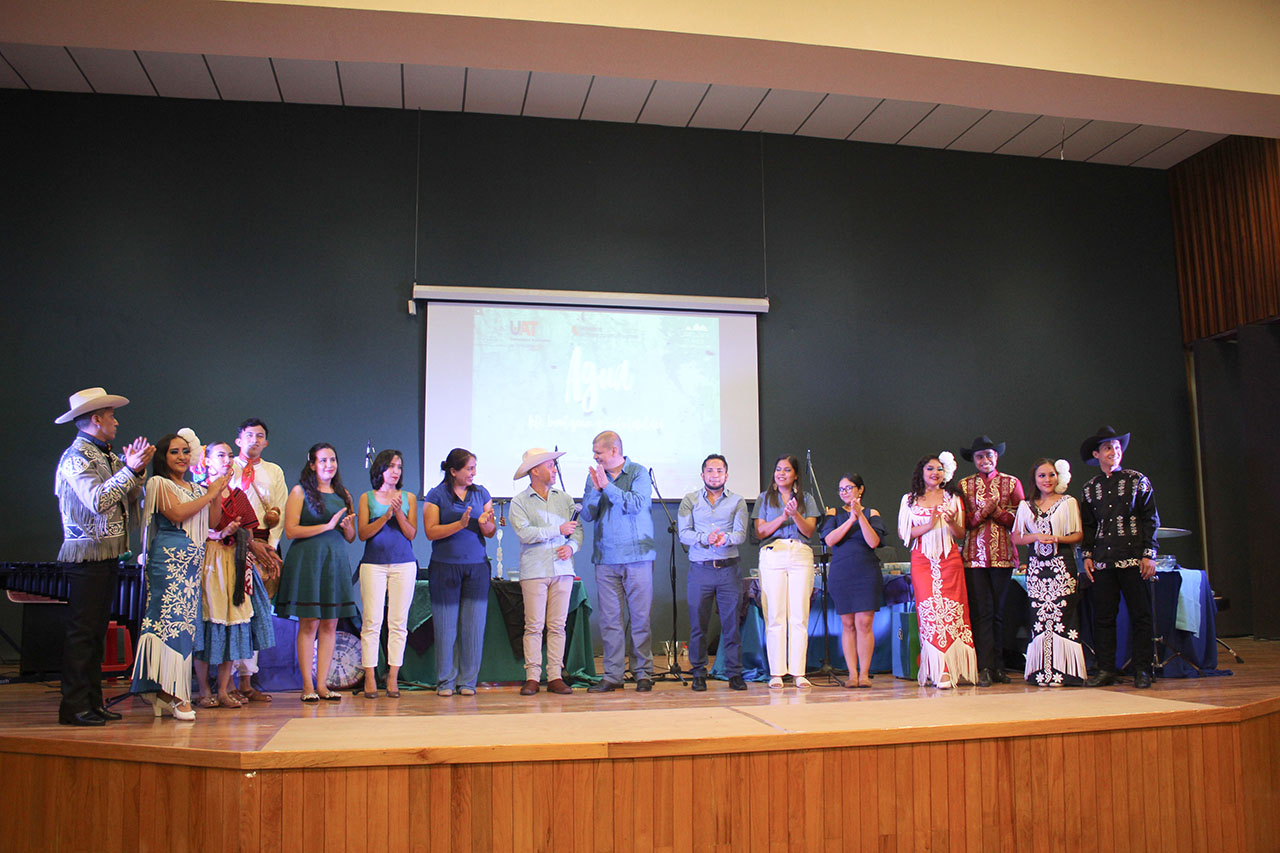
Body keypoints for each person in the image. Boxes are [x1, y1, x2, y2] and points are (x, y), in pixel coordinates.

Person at [53, 387, 153, 726]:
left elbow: (127, 496)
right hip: (87, 555)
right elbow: (98, 500)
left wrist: (135, 470)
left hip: (106, 553)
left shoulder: (104, 456)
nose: (116, 422)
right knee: (82, 633)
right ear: (96, 419)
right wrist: (129, 470)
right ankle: (74, 706)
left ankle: (92, 702)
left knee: (95, 633)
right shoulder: (76, 457)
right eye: (111, 416)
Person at [132, 433, 230, 721]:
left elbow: (212, 522)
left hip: (191, 567)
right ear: (164, 456)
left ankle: (164, 694)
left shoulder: (196, 487)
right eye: (175, 452)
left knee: (185, 627)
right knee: (170, 624)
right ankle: (176, 694)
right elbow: (175, 514)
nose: (182, 457)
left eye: (186, 451)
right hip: (168, 563)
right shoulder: (158, 483)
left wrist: (216, 494)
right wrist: (210, 494)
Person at [193, 441, 282, 709]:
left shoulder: (238, 496)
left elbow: (249, 533)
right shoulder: (197, 493)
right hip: (209, 562)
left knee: (233, 622)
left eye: (230, 455)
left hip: (234, 560)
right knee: (208, 622)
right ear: (207, 461)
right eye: (220, 455)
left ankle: (223, 689)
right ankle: (204, 689)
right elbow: (194, 529)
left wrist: (256, 547)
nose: (227, 460)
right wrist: (219, 533)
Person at [1079, 426, 1160, 689]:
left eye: (1116, 447)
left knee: (1141, 614)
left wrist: (1149, 554)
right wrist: (1087, 555)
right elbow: (1089, 526)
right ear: (1096, 454)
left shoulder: (1137, 480)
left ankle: (1142, 669)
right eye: (1107, 448)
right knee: (1103, 616)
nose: (1113, 452)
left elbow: (1150, 519)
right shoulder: (1090, 488)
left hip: (1133, 557)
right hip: (1103, 559)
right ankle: (1106, 669)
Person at [274, 443, 357, 702]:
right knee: (309, 622)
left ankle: (322, 685)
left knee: (330, 623)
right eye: (323, 460)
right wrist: (327, 526)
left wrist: (348, 527)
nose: (329, 465)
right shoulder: (299, 491)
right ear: (312, 464)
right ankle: (307, 686)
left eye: (332, 460)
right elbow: (291, 531)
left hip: (334, 561)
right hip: (308, 562)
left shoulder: (343, 494)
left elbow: (350, 537)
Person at [581, 431, 657, 693]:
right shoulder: (595, 477)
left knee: (640, 618)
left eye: (598, 452)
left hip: (638, 556)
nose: (595, 457)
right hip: (606, 558)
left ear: (614, 451)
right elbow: (587, 515)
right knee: (610, 620)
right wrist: (595, 489)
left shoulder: (638, 473)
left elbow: (636, 505)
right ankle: (613, 675)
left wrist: (607, 487)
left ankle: (643, 673)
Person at [897, 453, 977, 689]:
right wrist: (929, 525)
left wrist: (950, 522)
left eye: (939, 469)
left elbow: (960, 533)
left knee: (953, 612)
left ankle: (956, 667)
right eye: (930, 469)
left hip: (949, 559)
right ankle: (938, 669)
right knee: (930, 613)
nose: (935, 473)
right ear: (921, 472)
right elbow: (904, 533)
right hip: (922, 560)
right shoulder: (909, 500)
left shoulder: (953, 498)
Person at [509, 448, 583, 696]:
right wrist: (557, 530)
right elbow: (524, 533)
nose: (554, 470)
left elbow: (577, 530)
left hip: (562, 569)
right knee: (533, 626)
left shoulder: (565, 499)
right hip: (534, 570)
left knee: (558, 626)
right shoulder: (519, 501)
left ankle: (554, 676)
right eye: (550, 466)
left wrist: (571, 547)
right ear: (535, 470)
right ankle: (532, 676)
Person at [423, 447, 496, 696]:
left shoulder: (481, 493)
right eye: (469, 469)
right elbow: (431, 531)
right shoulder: (436, 495)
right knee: (445, 628)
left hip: (477, 567)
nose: (473, 473)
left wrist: (486, 524)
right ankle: (445, 681)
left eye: (475, 468)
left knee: (473, 627)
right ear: (453, 471)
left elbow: (490, 532)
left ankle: (468, 682)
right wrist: (459, 524)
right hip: (444, 567)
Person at [957, 435, 1025, 687]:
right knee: (981, 612)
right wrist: (982, 513)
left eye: (988, 455)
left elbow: (1021, 520)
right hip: (974, 558)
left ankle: (997, 666)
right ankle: (983, 666)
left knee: (998, 612)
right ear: (973, 460)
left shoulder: (1011, 483)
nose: (984, 460)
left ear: (996, 457)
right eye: (979, 456)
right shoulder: (964, 485)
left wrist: (997, 512)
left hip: (1002, 556)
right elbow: (961, 523)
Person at [678, 454, 750, 692]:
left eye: (719, 471)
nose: (714, 475)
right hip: (700, 570)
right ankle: (698, 672)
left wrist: (724, 539)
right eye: (710, 470)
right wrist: (705, 538)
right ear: (702, 475)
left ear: (726, 475)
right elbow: (684, 534)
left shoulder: (738, 501)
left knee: (731, 625)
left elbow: (740, 535)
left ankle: (734, 673)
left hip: (728, 570)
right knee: (698, 625)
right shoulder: (689, 500)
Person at [1012, 458, 1085, 686]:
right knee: (1040, 619)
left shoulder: (1068, 502)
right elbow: (1016, 537)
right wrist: (1035, 536)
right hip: (1036, 568)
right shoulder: (1026, 506)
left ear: (1058, 477)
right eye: (1042, 475)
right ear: (1034, 479)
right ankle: (1041, 671)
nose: (1047, 479)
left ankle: (1064, 672)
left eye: (1051, 475)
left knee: (1063, 616)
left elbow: (1078, 534)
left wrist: (1057, 538)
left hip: (1062, 565)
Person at [229, 418, 287, 702]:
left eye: (260, 436)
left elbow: (280, 508)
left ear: (266, 442)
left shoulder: (273, 471)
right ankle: (226, 680)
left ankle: (247, 680)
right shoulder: (227, 466)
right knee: (232, 610)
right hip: (233, 544)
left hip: (265, 544)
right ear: (239, 440)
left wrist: (271, 547)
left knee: (257, 612)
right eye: (249, 435)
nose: (254, 440)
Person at [752, 454, 821, 690]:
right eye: (778, 469)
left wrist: (795, 514)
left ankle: (798, 672)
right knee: (775, 614)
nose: (781, 474)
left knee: (799, 615)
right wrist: (783, 516)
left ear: (796, 475)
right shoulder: (764, 498)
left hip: (800, 553)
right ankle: (776, 673)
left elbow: (809, 531)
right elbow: (760, 532)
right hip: (773, 553)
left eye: (787, 470)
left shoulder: (806, 498)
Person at [355, 449, 418, 699]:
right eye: (391, 466)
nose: (396, 471)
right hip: (373, 564)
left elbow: (411, 534)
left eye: (399, 467)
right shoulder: (367, 497)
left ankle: (393, 676)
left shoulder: (408, 498)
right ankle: (370, 676)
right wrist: (386, 516)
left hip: (404, 564)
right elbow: (363, 534)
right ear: (380, 469)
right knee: (372, 621)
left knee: (398, 623)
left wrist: (399, 513)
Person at [820, 473, 885, 688]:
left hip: (866, 572)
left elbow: (873, 541)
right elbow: (830, 539)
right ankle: (852, 674)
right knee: (847, 624)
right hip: (842, 572)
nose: (845, 492)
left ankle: (864, 674)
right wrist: (850, 520)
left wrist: (860, 516)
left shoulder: (872, 513)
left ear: (860, 489)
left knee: (864, 623)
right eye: (841, 489)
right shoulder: (834, 513)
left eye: (849, 488)